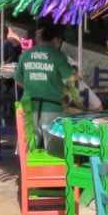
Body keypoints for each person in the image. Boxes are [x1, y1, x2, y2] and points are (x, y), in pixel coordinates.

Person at [16, 24, 77, 152]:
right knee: (53, 149)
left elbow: (18, 80)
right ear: (56, 40)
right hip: (51, 107)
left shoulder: (26, 55)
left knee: (28, 146)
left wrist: (35, 85)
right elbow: (72, 77)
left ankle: (26, 171)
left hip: (28, 105)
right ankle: (49, 172)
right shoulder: (58, 55)